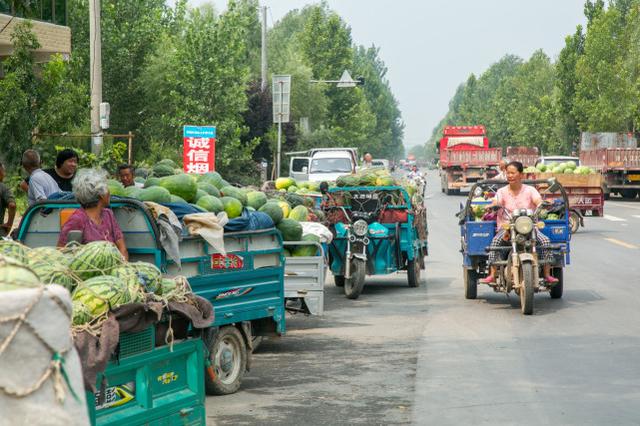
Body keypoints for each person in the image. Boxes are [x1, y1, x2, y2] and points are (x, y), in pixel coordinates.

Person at [480, 161, 558, 284]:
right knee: (495, 242)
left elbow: (538, 200)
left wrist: (542, 203)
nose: (510, 176)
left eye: (513, 173)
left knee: (545, 241)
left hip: (529, 227)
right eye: (508, 173)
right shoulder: (502, 192)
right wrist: (492, 205)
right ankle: (493, 273)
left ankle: (547, 274)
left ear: (521, 175)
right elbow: (496, 201)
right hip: (507, 228)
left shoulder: (530, 190)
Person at [57, 168, 128, 260]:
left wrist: (123, 268)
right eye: (107, 188)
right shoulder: (77, 220)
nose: (109, 192)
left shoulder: (108, 215)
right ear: (101, 195)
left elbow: (122, 248)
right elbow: (61, 253)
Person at [0, 162, 16, 237]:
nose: (4, 174)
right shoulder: (3, 188)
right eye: (3, 171)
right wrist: (9, 225)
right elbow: (12, 205)